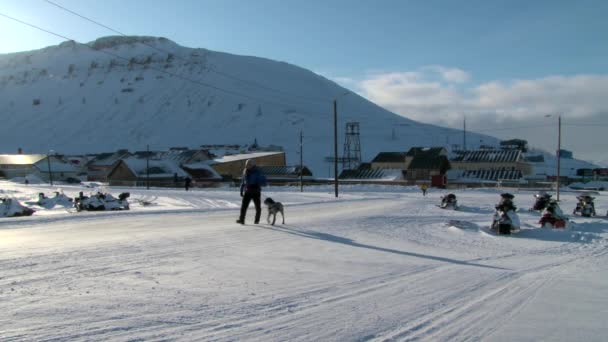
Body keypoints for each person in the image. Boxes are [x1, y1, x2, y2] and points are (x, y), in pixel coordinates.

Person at [237, 159, 266, 224]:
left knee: (257, 207)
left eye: (249, 165)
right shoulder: (245, 171)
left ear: (253, 165)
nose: (247, 166)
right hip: (247, 191)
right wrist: (241, 190)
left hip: (256, 191)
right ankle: (242, 220)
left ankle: (257, 220)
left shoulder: (258, 171)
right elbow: (243, 181)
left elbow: (263, 180)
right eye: (247, 165)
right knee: (243, 206)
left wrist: (257, 184)